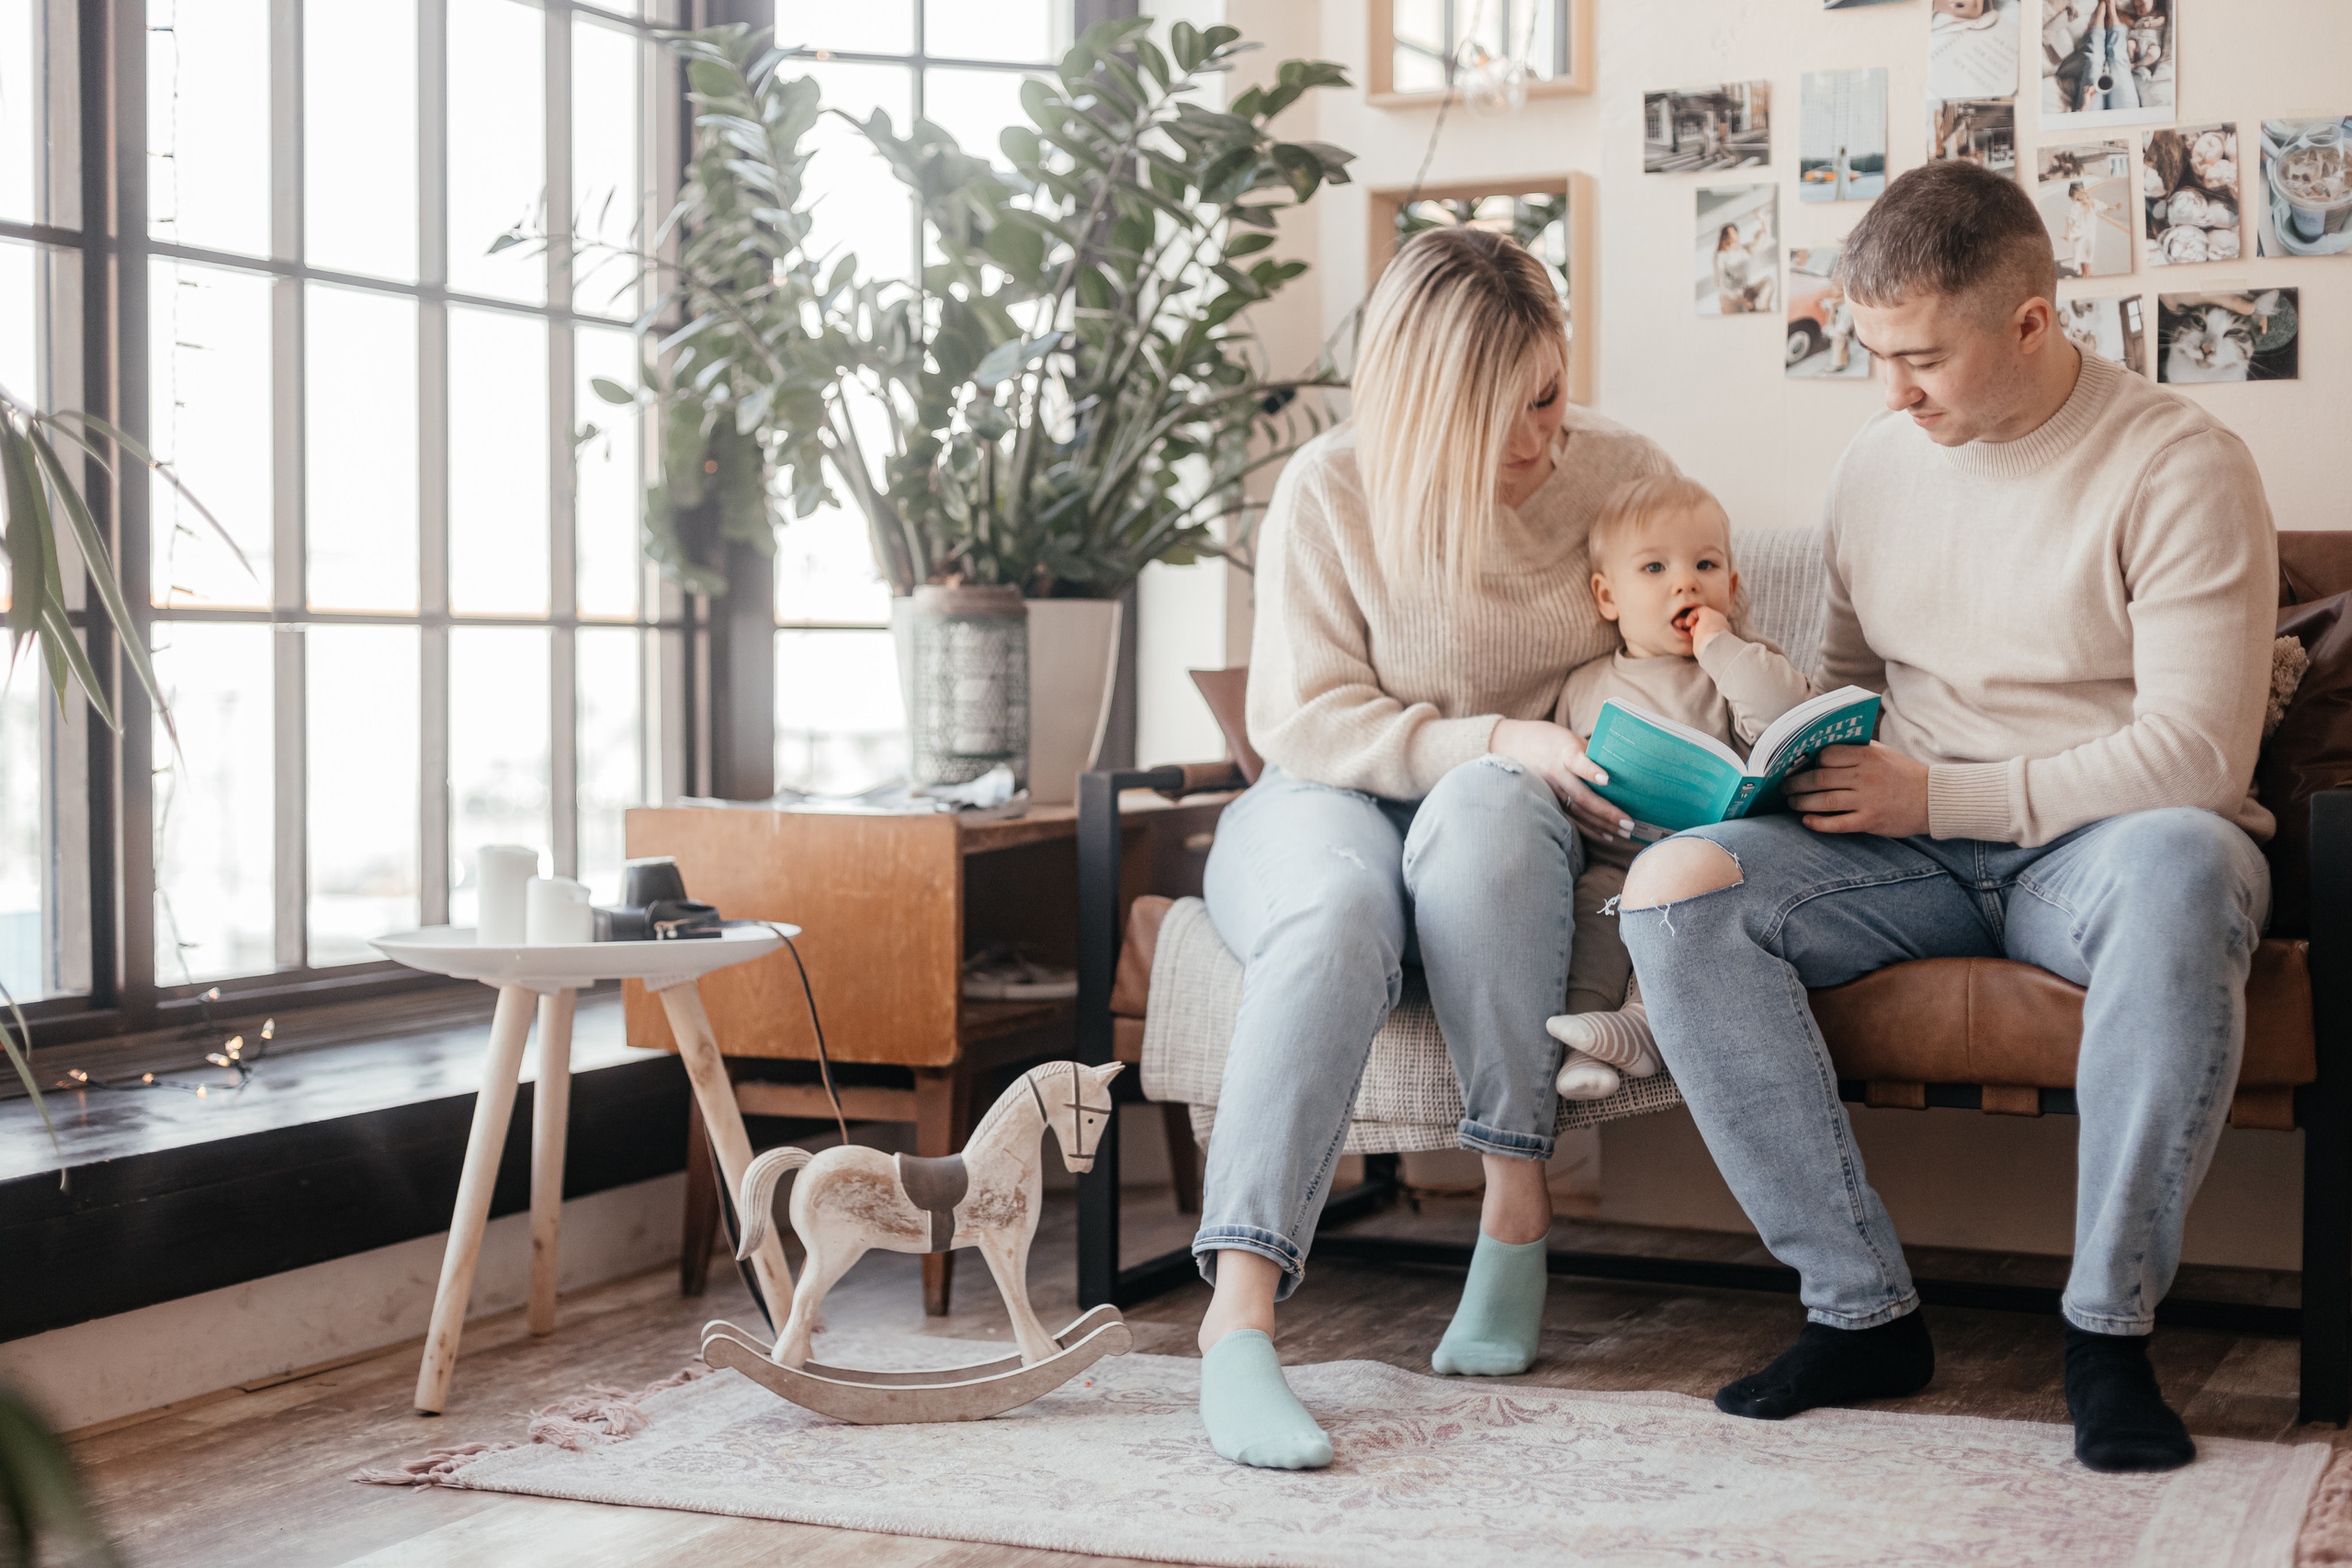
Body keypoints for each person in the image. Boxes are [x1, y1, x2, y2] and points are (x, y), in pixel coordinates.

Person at [1617, 161, 2277, 1475]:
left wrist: (1952, 792)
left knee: (2191, 866)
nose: (1893, 392)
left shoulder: (2179, 463)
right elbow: (1856, 685)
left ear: (2031, 323)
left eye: (1921, 358)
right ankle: (1858, 1309)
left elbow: (2200, 751)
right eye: (1875, 355)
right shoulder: (1879, 462)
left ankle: (2108, 1329)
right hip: (1903, 846)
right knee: (1677, 888)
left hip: (2107, 843)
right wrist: (1789, 752)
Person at [1194, 226, 1675, 1470]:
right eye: (1493, 417)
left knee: (1494, 810)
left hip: (1513, 809)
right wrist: (1493, 730)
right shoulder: (1331, 489)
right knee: (1340, 913)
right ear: (1416, 412)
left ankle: (1515, 1208)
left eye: (1549, 392)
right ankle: (1239, 1318)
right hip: (1322, 792)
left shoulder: (1619, 473)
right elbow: (1302, 717)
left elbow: (1665, 651)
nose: (1537, 441)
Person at [1545, 474, 1815, 1100]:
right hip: (1617, 863)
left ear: (1733, 585)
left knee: (1679, 919)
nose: (1685, 582)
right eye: (1655, 567)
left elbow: (1784, 713)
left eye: (1705, 564)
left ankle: (1639, 1023)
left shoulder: (1738, 666)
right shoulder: (1585, 684)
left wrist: (1721, 645)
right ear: (1606, 596)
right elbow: (1563, 777)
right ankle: (1584, 1043)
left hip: (1707, 870)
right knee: (1594, 913)